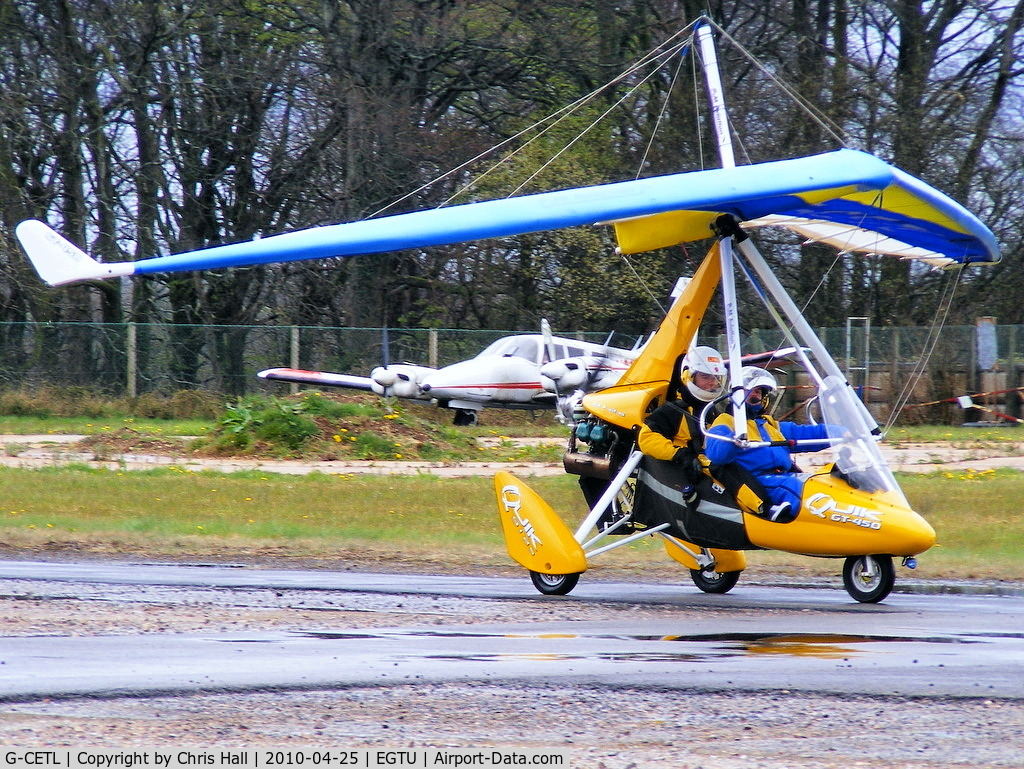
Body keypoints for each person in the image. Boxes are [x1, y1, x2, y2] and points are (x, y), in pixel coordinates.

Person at [703, 366, 833, 522]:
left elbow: (809, 434)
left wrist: (847, 432)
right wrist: (734, 440)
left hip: (784, 476)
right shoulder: (725, 422)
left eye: (759, 391)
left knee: (825, 481)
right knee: (795, 488)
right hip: (759, 482)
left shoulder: (768, 424)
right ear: (737, 392)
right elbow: (717, 455)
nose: (756, 394)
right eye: (751, 390)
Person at [637, 345, 726, 465]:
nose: (712, 383)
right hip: (681, 474)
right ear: (687, 376)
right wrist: (679, 454)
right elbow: (646, 439)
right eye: (705, 376)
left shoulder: (712, 410)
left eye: (716, 377)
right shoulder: (673, 410)